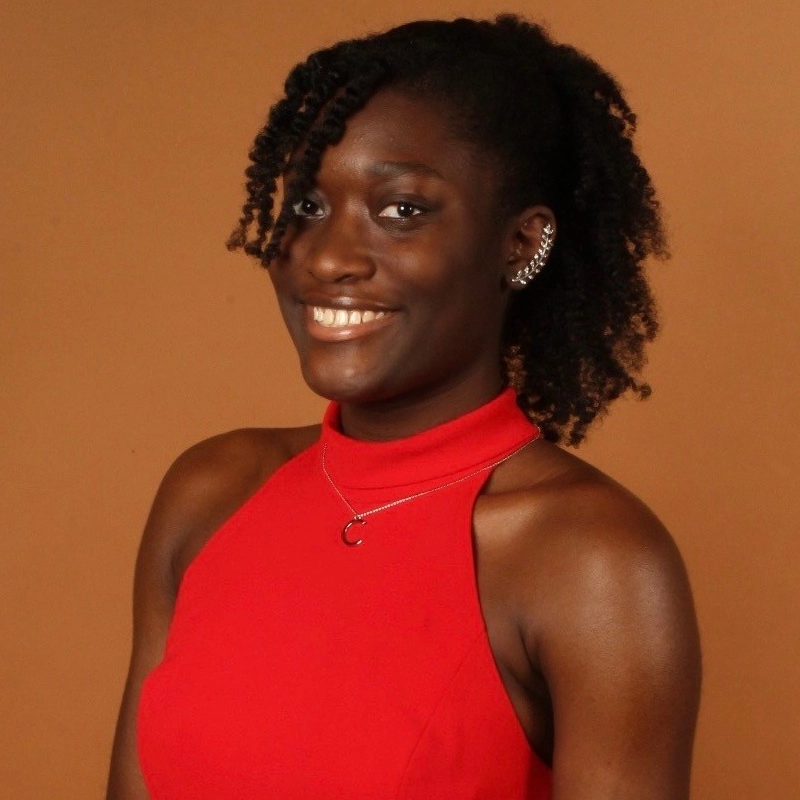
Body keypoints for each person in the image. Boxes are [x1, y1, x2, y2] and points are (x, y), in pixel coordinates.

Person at [107, 14, 701, 799]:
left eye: (402, 211)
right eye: (308, 207)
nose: (327, 259)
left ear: (520, 244)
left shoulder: (593, 562)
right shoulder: (212, 491)